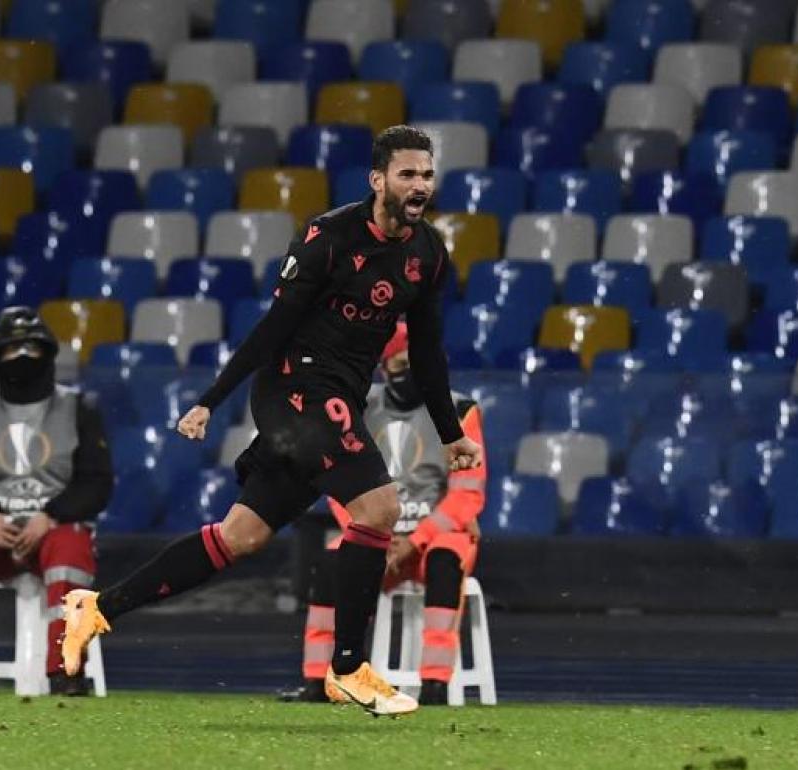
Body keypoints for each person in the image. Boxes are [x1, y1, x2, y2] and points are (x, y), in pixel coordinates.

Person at [59, 125, 483, 717]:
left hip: (336, 400)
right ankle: (348, 668)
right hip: (295, 390)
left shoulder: (427, 255)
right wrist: (213, 398)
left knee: (242, 536)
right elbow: (274, 327)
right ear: (378, 179)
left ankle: (97, 608)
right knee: (380, 508)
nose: (419, 185)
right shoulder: (327, 238)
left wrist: (450, 432)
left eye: (427, 175)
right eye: (407, 174)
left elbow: (431, 354)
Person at [281, 322, 487, 706]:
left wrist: (414, 541)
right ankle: (317, 682)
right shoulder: (358, 407)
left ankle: (436, 685)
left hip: (435, 537)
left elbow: (466, 496)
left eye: (416, 362)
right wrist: (372, 533)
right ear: (382, 366)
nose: (407, 371)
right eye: (398, 363)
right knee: (330, 562)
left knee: (445, 559)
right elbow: (340, 486)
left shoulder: (459, 410)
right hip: (374, 528)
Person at [0, 307, 113, 696]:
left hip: (57, 531)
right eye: (12, 349)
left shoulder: (79, 409)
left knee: (71, 550)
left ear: (48, 352)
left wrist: (51, 516)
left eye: (30, 347)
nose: (22, 357)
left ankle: (67, 672)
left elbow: (97, 484)